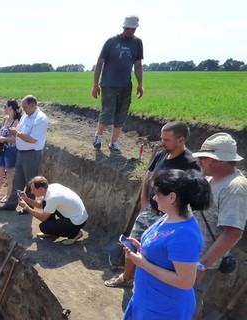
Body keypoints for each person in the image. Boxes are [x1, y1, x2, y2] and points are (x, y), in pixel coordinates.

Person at [105, 121, 200, 287]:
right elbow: (148, 178)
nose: (161, 143)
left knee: (154, 255)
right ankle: (127, 277)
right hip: (150, 212)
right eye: (161, 138)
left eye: (166, 140)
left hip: (169, 220)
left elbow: (190, 196)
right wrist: (144, 200)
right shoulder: (161, 155)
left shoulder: (190, 164)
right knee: (131, 247)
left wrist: (171, 214)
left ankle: (145, 283)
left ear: (181, 140)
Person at [123, 169, 211, 320]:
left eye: (157, 194)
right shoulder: (169, 216)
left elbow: (185, 282)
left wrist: (142, 264)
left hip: (163, 310)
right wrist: (142, 248)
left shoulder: (185, 235)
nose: (154, 198)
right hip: (147, 300)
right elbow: (162, 251)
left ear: (172, 197)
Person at [192, 133, 247, 319]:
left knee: (190, 300)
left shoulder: (235, 188)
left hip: (201, 260)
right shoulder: (210, 179)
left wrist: (202, 265)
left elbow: (233, 232)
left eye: (203, 158)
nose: (199, 161)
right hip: (190, 254)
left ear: (220, 160)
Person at [91, 15, 144, 152]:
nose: (129, 31)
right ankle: (98, 136)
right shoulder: (111, 42)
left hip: (126, 85)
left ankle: (113, 142)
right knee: (107, 111)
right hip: (109, 83)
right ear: (123, 26)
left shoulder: (137, 43)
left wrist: (140, 84)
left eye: (132, 29)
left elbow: (138, 65)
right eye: (127, 28)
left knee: (121, 114)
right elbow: (99, 63)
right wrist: (95, 84)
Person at [0, 95, 48, 214]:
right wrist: (14, 132)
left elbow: (32, 139)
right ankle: (11, 204)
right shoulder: (26, 115)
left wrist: (17, 133)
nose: (23, 109)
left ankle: (28, 208)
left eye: (25, 107)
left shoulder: (40, 119)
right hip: (21, 152)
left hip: (32, 154)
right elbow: (20, 130)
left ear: (33, 105)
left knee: (30, 183)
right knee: (17, 180)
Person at [18, 176, 88, 245]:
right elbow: (40, 205)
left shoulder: (52, 197)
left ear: (41, 189)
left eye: (33, 189)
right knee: (45, 204)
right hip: (77, 215)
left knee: (43, 227)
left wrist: (26, 207)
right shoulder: (51, 187)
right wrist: (26, 199)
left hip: (77, 221)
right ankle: (53, 232)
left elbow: (42, 218)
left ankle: (75, 234)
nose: (32, 192)